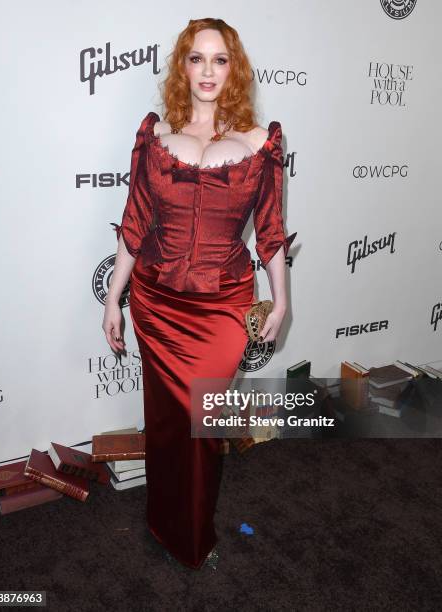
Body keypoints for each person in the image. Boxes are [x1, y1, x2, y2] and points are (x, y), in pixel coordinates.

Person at [102, 17, 296, 570]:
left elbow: (272, 230)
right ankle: (168, 526)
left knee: (202, 423)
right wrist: (113, 297)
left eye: (219, 59)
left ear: (233, 69)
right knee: (168, 423)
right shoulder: (155, 135)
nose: (207, 70)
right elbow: (135, 221)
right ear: (181, 68)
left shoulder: (260, 142)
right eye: (196, 58)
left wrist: (280, 302)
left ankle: (194, 528)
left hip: (223, 304)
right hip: (158, 302)